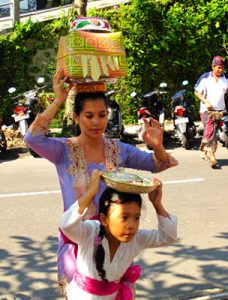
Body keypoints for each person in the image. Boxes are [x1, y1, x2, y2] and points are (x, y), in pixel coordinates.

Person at [24, 68, 178, 296]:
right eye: (89, 115)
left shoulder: (119, 150)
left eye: (102, 114)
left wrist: (157, 145)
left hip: (115, 240)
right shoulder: (64, 150)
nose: (97, 122)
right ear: (77, 117)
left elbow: (159, 164)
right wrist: (58, 100)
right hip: (77, 240)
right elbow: (32, 138)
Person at [59, 169, 178, 299]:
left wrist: (157, 204)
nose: (131, 225)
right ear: (104, 219)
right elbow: (66, 225)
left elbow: (168, 237)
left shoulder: (137, 239)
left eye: (136, 218)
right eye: (124, 217)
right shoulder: (90, 231)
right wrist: (91, 192)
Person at [194, 56, 228, 168]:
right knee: (211, 130)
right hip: (206, 111)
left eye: (222, 68)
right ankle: (212, 156)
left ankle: (204, 148)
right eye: (218, 67)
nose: (220, 70)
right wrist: (206, 101)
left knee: (213, 131)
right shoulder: (205, 78)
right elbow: (197, 92)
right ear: (213, 67)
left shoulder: (225, 78)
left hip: (220, 111)